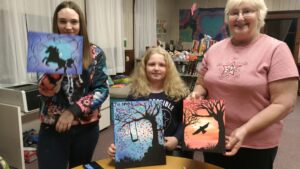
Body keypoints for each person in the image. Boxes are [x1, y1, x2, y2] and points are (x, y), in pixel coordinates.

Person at [189, 0, 299, 169]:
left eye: (247, 11)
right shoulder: (215, 49)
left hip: (254, 143)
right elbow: (202, 83)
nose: (239, 17)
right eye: (233, 13)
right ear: (227, 19)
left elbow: (284, 104)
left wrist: (245, 130)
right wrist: (197, 93)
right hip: (210, 133)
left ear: (260, 15)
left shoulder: (276, 49)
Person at [37, 1, 109, 169]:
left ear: (81, 24)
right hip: (53, 127)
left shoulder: (95, 53)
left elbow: (102, 89)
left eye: (74, 22)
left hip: (86, 128)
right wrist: (59, 61)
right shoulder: (44, 49)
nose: (68, 27)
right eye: (62, 21)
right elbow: (44, 91)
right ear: (56, 23)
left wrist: (73, 111)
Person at [107, 47, 194, 159]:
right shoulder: (135, 94)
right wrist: (117, 147)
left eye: (162, 65)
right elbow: (126, 126)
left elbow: (187, 120)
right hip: (144, 152)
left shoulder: (178, 94)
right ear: (144, 67)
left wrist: (177, 138)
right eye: (152, 64)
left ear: (169, 69)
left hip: (173, 151)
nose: (156, 68)